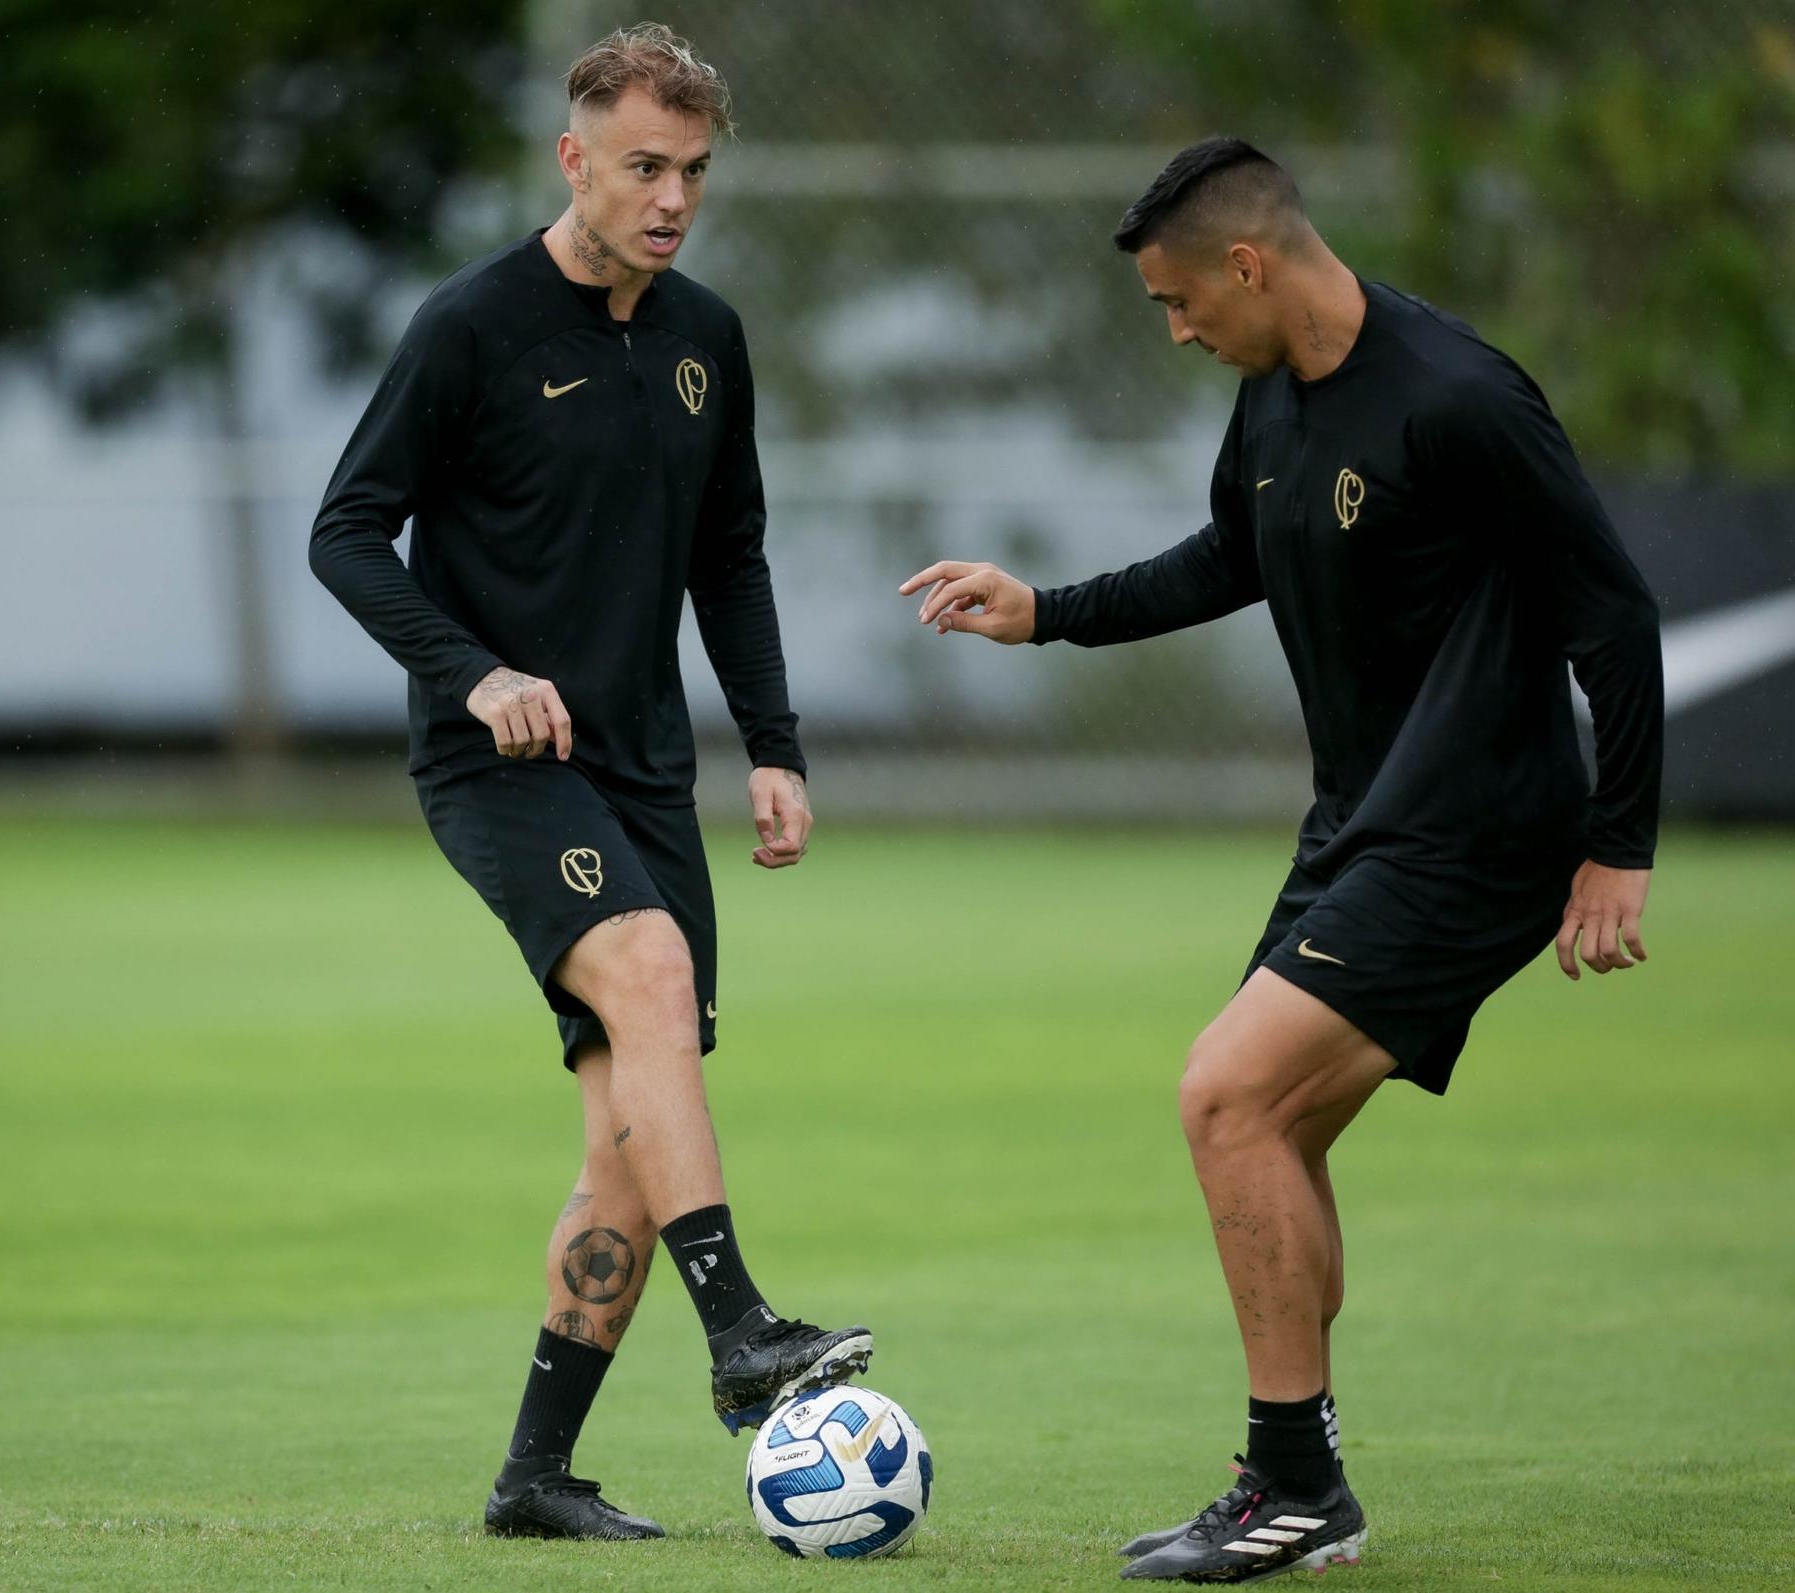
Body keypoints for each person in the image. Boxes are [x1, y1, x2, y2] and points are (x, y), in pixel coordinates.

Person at [900, 137, 1662, 1583]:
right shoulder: (1271, 399)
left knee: (1224, 1094)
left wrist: (1616, 846)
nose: (1179, 331)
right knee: (1273, 1130)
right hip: (1362, 827)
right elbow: (1225, 559)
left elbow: (1613, 614)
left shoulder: (1460, 396)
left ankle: (1294, 1486)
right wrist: (1043, 609)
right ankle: (1302, 1475)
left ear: (1248, 263)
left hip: (1480, 830)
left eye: (1181, 302)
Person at [310, 22, 870, 1544]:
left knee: (631, 1138)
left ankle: (534, 1477)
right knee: (646, 964)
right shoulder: (471, 326)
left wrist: (773, 743)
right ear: (574, 160)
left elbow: (729, 556)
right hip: (498, 762)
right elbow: (347, 530)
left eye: (691, 170)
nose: (672, 196)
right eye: (642, 167)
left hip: (642, 769)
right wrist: (474, 670)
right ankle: (744, 1329)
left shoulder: (707, 337)